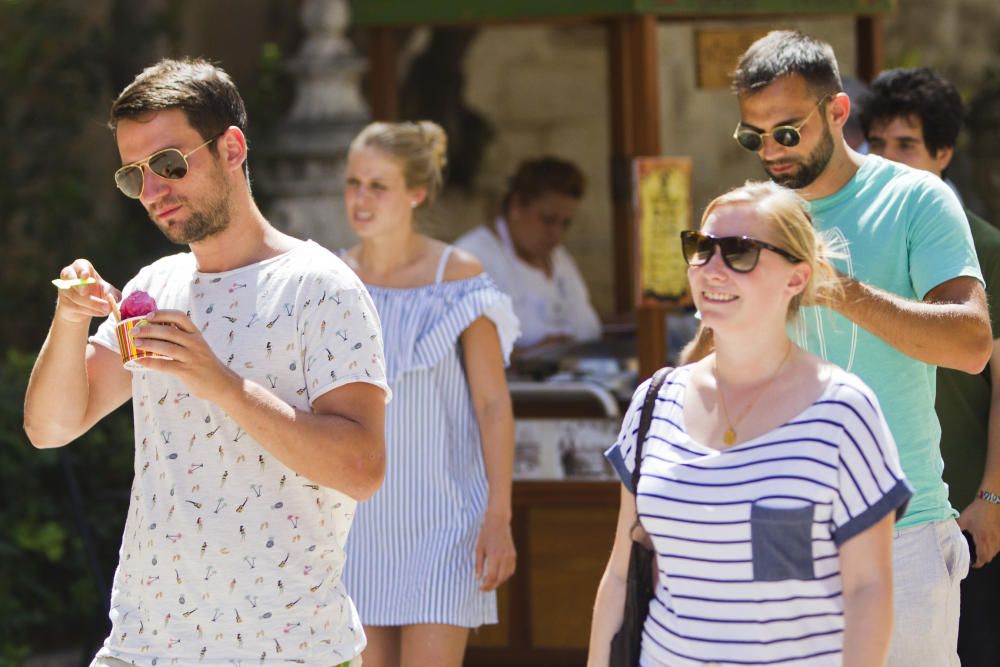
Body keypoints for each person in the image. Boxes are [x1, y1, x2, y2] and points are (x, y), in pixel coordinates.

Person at [22, 58, 390, 667]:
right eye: (133, 176)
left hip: (285, 650)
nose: (153, 191)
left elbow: (362, 468)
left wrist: (222, 384)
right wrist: (69, 321)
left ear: (232, 148)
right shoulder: (155, 286)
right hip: (142, 646)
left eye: (168, 163)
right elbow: (50, 428)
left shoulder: (321, 287)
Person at [679, 30, 992, 666]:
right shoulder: (756, 217)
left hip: (899, 531)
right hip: (778, 527)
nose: (771, 151)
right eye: (753, 136)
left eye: (787, 132)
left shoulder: (915, 198)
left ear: (838, 112)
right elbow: (712, 368)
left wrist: (839, 290)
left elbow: (971, 343)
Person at [589, 181, 912, 666]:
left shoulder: (842, 409)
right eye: (701, 248)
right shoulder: (655, 400)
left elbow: (869, 589)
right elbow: (620, 573)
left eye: (739, 252)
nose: (711, 269)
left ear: (797, 278)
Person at [338, 121, 518, 667]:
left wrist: (498, 516)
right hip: (358, 526)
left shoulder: (457, 275)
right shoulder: (332, 280)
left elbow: (493, 406)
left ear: (416, 193)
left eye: (378, 185)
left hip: (445, 523)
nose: (361, 199)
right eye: (353, 183)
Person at [861, 66, 1000, 667]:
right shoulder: (856, 235)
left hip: (966, 510)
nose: (887, 157)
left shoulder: (986, 247)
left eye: (907, 144)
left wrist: (993, 497)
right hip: (875, 512)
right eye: (876, 142)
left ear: (942, 154)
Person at [455, 156, 601, 350]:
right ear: (516, 206)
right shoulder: (472, 258)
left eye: (566, 223)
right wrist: (529, 357)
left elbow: (587, 326)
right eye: (548, 220)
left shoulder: (560, 258)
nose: (557, 234)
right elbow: (459, 348)